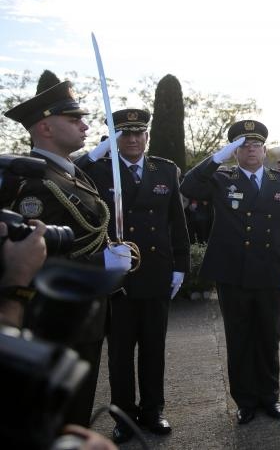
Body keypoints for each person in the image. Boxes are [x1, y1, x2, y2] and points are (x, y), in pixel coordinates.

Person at [3, 70, 132, 426]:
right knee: (60, 419)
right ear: (45, 127)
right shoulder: (36, 184)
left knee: (78, 410)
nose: (85, 126)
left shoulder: (70, 173)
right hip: (53, 318)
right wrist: (101, 263)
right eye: (74, 120)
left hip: (81, 315)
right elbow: (32, 261)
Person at [77, 109, 190, 443]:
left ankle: (153, 410)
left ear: (147, 136)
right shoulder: (99, 169)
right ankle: (124, 416)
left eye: (139, 133)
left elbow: (177, 221)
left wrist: (180, 266)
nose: (133, 139)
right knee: (120, 353)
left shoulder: (164, 170)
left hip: (156, 270)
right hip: (119, 276)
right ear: (115, 139)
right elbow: (71, 172)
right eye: (124, 134)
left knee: (154, 348)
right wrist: (99, 150)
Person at [180, 120, 280, 424]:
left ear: (264, 150)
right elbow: (188, 186)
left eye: (256, 144)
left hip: (269, 270)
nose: (251, 150)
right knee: (239, 337)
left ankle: (270, 396)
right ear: (234, 151)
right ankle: (245, 400)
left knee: (268, 336)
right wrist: (218, 157)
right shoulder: (221, 179)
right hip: (232, 271)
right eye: (244, 145)